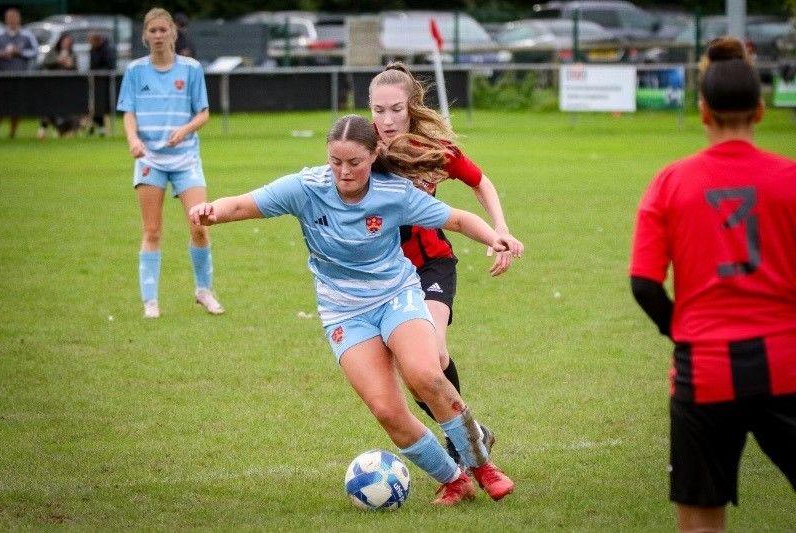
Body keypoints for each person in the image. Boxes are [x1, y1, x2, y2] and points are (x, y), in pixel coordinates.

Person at [188, 114, 523, 506]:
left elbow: (458, 218)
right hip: (344, 312)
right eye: (336, 162)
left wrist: (494, 236)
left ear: (374, 155)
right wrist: (212, 210)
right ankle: (454, 479)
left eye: (354, 163)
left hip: (396, 295)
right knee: (387, 411)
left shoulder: (394, 193)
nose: (344, 172)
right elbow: (246, 204)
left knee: (425, 374)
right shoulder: (305, 189)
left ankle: (481, 465)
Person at [630, 37, 796, 533]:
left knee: (702, 518)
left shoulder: (671, 182)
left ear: (702, 110)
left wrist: (681, 331)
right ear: (761, 110)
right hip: (787, 362)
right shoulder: (789, 179)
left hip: (705, 369)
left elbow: (644, 284)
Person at [368, 62, 521, 463]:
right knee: (413, 378)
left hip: (431, 265)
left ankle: (462, 444)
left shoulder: (431, 151)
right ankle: (473, 434)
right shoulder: (360, 151)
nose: (386, 120)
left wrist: (500, 229)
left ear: (411, 107)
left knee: (432, 358)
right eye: (378, 110)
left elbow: (480, 181)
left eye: (395, 109)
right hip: (383, 277)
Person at [117, 7, 223, 319]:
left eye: (164, 30)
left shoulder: (191, 70)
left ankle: (203, 290)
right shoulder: (136, 71)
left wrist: (185, 129)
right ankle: (150, 300)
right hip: (150, 159)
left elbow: (203, 113)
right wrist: (133, 140)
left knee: (200, 225)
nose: (159, 36)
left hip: (186, 158)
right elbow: (128, 113)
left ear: (173, 33)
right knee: (151, 230)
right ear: (145, 36)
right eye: (153, 31)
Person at [0, 8, 38, 138]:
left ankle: (12, 134)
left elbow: (35, 52)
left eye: (15, 17)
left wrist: (20, 53)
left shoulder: (27, 35)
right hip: (1, 77)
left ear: (19, 19)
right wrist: (1, 54)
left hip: (20, 76)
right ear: (6, 19)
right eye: (10, 17)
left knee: (16, 106)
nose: (13, 20)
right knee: (0, 106)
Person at [37, 33, 80, 139]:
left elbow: (76, 69)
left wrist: (70, 65)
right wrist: (57, 60)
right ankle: (43, 129)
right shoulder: (53, 51)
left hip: (67, 87)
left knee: (67, 109)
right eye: (65, 41)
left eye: (69, 42)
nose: (66, 44)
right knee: (48, 107)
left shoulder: (73, 54)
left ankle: (66, 130)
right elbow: (44, 63)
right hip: (52, 86)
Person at [88, 32, 116, 137]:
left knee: (103, 107)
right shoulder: (92, 50)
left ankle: (100, 128)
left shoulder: (107, 50)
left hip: (105, 83)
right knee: (95, 106)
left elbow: (111, 65)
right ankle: (97, 127)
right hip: (95, 82)